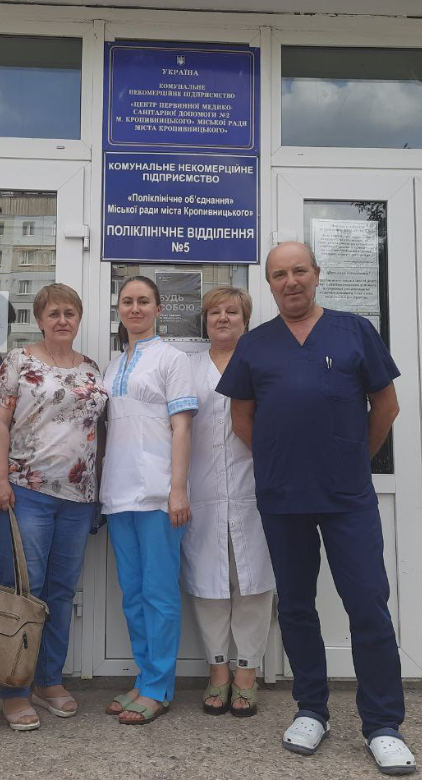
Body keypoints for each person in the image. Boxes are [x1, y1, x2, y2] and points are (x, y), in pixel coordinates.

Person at [217, 241, 416, 775]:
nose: (291, 281)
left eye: (299, 271)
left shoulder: (354, 331)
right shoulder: (255, 344)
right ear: (270, 284)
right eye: (279, 274)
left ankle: (382, 724)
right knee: (297, 606)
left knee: (368, 602)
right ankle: (312, 710)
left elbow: (387, 405)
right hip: (283, 497)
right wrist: (279, 461)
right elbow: (241, 418)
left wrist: (352, 458)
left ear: (316, 273)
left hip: (348, 496)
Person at [0, 284, 108, 731]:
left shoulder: (91, 367)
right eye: (54, 313)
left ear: (79, 319)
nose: (62, 320)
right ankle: (13, 689)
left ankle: (48, 680)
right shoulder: (18, 361)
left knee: (60, 592)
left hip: (78, 497)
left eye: (70, 313)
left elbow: (100, 431)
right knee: (23, 589)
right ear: (39, 320)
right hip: (26, 491)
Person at [101, 275, 197, 725]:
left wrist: (177, 488)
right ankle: (143, 678)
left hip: (158, 494)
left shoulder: (172, 359)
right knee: (133, 595)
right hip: (118, 494)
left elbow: (182, 427)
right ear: (119, 309)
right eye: (127, 301)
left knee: (160, 594)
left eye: (143, 301)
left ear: (159, 309)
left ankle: (159, 686)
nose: (135, 308)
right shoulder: (111, 365)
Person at [181, 287, 275, 718]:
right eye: (214, 312)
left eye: (232, 312)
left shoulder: (260, 363)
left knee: (254, 582)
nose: (222, 318)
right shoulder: (188, 367)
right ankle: (218, 671)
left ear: (245, 320)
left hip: (253, 487)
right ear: (205, 321)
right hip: (201, 489)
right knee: (208, 584)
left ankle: (247, 672)